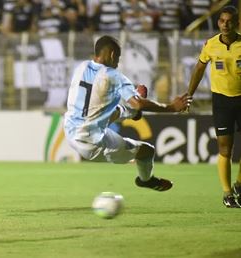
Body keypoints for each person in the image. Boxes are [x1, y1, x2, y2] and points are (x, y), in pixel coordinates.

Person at [64, 35, 192, 192]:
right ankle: (146, 180)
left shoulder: (81, 67)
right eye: (117, 57)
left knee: (113, 109)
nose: (117, 62)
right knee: (147, 151)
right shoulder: (114, 76)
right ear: (112, 54)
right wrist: (171, 107)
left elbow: (97, 103)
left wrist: (133, 107)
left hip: (70, 131)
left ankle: (130, 114)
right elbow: (137, 103)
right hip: (92, 143)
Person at [186, 6, 241, 208]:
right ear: (218, 22)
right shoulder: (210, 45)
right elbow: (199, 69)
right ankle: (228, 194)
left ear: (237, 23)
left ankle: (239, 185)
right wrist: (189, 95)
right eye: (222, 21)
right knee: (225, 149)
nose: (225, 25)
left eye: (229, 21)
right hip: (222, 102)